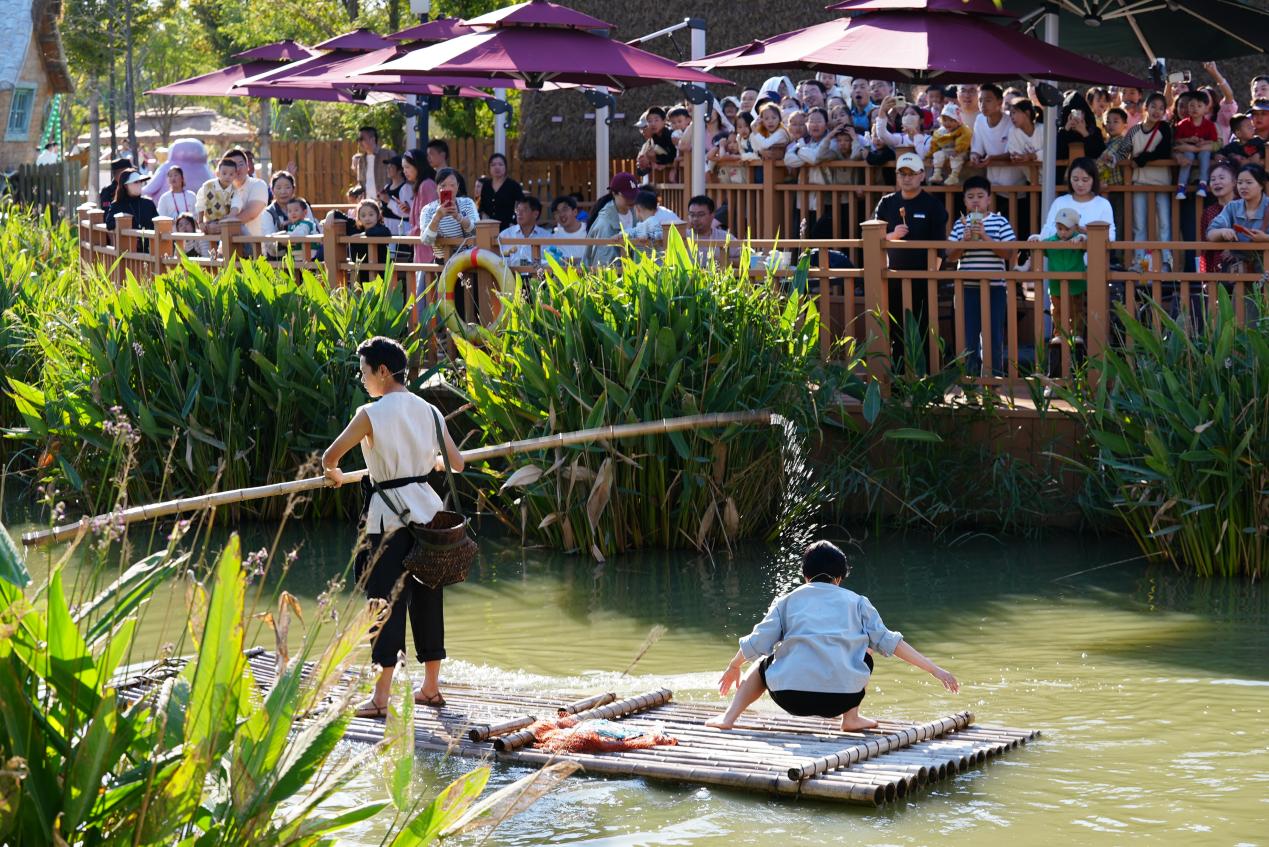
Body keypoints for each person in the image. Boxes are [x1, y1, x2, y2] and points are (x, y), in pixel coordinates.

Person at [322, 336, 465, 718]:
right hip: (427, 516)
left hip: (388, 520)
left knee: (383, 603)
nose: (363, 378)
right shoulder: (430, 412)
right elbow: (457, 463)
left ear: (383, 372)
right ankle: (431, 688)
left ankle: (381, 698)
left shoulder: (371, 413)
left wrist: (333, 475)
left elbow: (330, 457)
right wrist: (430, 463)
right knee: (428, 597)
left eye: (365, 371)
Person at [704, 541, 959, 732]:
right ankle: (851, 719)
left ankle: (728, 718)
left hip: (789, 697)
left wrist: (734, 665)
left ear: (805, 576)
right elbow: (891, 642)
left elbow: (758, 642)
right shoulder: (858, 602)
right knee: (866, 649)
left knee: (762, 661)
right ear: (839, 579)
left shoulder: (787, 600)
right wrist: (935, 669)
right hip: (841, 699)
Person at [875, 152, 948, 367]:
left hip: (923, 278)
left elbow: (939, 247)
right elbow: (870, 237)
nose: (906, 178)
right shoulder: (887, 203)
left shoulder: (933, 205)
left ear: (922, 175)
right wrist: (891, 236)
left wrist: (932, 277)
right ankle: (898, 384)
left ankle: (929, 381)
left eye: (911, 173)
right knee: (895, 330)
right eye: (902, 173)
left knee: (926, 329)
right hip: (893, 277)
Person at [946, 176, 1017, 377]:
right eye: (970, 197)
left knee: (993, 333)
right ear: (965, 201)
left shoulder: (1000, 221)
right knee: (968, 334)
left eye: (980, 196)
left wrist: (985, 237)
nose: (975, 200)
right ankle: (969, 378)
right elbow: (950, 256)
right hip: (967, 287)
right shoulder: (961, 224)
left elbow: (1008, 253)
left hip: (995, 287)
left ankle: (993, 378)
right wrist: (963, 242)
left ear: (989, 199)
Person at [1127, 92, 1174, 269]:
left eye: (1161, 108)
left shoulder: (1164, 128)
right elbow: (1124, 149)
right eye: (1153, 106)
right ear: (1146, 107)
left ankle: (1166, 260)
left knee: (1164, 223)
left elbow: (1164, 151)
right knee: (1139, 224)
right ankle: (1140, 261)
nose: (1157, 111)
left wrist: (1142, 158)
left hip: (1161, 183)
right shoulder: (1134, 130)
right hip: (1139, 182)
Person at [1040, 207, 1090, 355]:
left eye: (1067, 229)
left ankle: (1077, 334)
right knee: (1057, 310)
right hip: (1056, 284)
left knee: (1077, 310)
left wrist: (1082, 238)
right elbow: (1040, 247)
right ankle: (1059, 334)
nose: (1063, 232)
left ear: (1075, 227)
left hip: (1076, 284)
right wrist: (1035, 239)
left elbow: (1088, 242)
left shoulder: (1079, 240)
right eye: (1060, 228)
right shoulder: (1050, 241)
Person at [1206, 163, 1269, 274]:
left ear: (1261, 185)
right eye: (1240, 183)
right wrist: (1222, 232)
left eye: (1249, 182)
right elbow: (1210, 233)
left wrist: (1265, 238)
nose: (1243, 187)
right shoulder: (1232, 207)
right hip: (1240, 271)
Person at [971, 84, 1022, 188]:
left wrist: (992, 158)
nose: (983, 104)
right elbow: (977, 148)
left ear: (1000, 101)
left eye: (988, 100)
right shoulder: (979, 120)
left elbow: (1015, 153)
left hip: (1016, 185)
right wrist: (974, 156)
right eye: (980, 100)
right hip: (992, 185)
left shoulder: (1012, 121)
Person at [586, 172, 639, 266]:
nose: (631, 200)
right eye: (627, 196)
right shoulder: (604, 223)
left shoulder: (637, 212)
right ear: (614, 193)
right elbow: (604, 262)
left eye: (634, 196)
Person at [1174, 91, 1219, 200]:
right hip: (1187, 149)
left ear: (1206, 109)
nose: (1195, 109)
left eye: (1199, 106)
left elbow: (1214, 141)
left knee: (1205, 155)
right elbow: (1177, 140)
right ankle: (1181, 185)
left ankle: (1203, 183)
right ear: (1188, 107)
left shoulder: (1209, 125)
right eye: (1192, 105)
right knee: (1187, 157)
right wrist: (1188, 139)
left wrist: (1204, 142)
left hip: (1203, 148)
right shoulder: (1182, 124)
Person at [143, 138, 212, 205]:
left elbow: (151, 188)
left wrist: (139, 191)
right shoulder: (205, 169)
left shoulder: (167, 167)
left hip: (167, 208)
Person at [1198, 162, 1238, 274]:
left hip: (1241, 265)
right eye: (1213, 179)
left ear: (1234, 182)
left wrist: (1236, 250)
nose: (1216, 182)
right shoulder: (1208, 212)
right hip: (1215, 265)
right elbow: (1205, 244)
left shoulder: (1243, 206)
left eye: (1221, 178)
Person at [403, 148, 439, 265]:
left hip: (428, 250)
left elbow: (428, 219)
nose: (405, 171)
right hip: (422, 248)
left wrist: (409, 235)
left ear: (417, 166)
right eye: (403, 168)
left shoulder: (426, 185)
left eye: (407, 167)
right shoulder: (421, 185)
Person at [105, 169, 159, 239]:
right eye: (136, 182)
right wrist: (123, 218)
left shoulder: (148, 203)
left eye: (140, 181)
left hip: (148, 247)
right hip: (128, 247)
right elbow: (109, 225)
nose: (139, 184)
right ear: (126, 186)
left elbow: (158, 224)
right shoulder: (117, 205)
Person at [499, 196, 551, 266]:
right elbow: (498, 261)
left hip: (537, 276)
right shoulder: (505, 235)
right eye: (517, 210)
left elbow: (550, 262)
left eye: (524, 210)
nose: (519, 213)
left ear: (535, 214)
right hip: (510, 275)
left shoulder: (547, 236)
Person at [195, 157, 242, 232]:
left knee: (242, 232)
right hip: (208, 223)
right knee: (205, 242)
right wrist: (200, 222)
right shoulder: (207, 186)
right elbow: (200, 204)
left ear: (235, 175)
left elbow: (236, 205)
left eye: (231, 174)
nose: (227, 177)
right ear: (218, 173)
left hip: (226, 223)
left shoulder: (235, 190)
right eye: (224, 173)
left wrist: (229, 218)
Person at [928, 103, 971, 185]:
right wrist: (930, 154)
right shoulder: (941, 131)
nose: (947, 123)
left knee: (956, 157)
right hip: (946, 150)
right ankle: (937, 173)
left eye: (951, 120)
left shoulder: (963, 130)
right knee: (938, 154)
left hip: (959, 151)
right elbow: (935, 142)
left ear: (958, 121)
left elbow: (964, 140)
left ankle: (954, 175)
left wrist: (957, 150)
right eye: (945, 120)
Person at [477, 152, 523, 230]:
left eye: (500, 164)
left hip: (509, 227)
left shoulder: (513, 185)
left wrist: (514, 223)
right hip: (489, 227)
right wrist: (485, 220)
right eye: (493, 165)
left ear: (505, 167)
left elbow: (521, 205)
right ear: (489, 168)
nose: (497, 167)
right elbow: (482, 206)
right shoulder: (486, 185)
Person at [380, 156, 413, 257]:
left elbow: (406, 213)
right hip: (387, 227)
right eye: (387, 166)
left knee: (400, 257)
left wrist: (388, 201)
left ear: (399, 170)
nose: (388, 168)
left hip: (401, 228)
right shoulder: (387, 187)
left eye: (391, 166)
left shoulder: (406, 188)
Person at [351, 125, 396, 198]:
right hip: (369, 204)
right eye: (358, 139)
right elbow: (361, 183)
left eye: (361, 139)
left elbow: (399, 178)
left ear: (372, 139)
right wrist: (355, 191)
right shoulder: (361, 160)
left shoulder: (388, 155)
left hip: (387, 203)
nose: (359, 142)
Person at [548, 195, 589, 265]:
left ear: (575, 212)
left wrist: (569, 261)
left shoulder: (589, 230)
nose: (561, 215)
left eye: (565, 210)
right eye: (557, 212)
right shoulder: (554, 237)